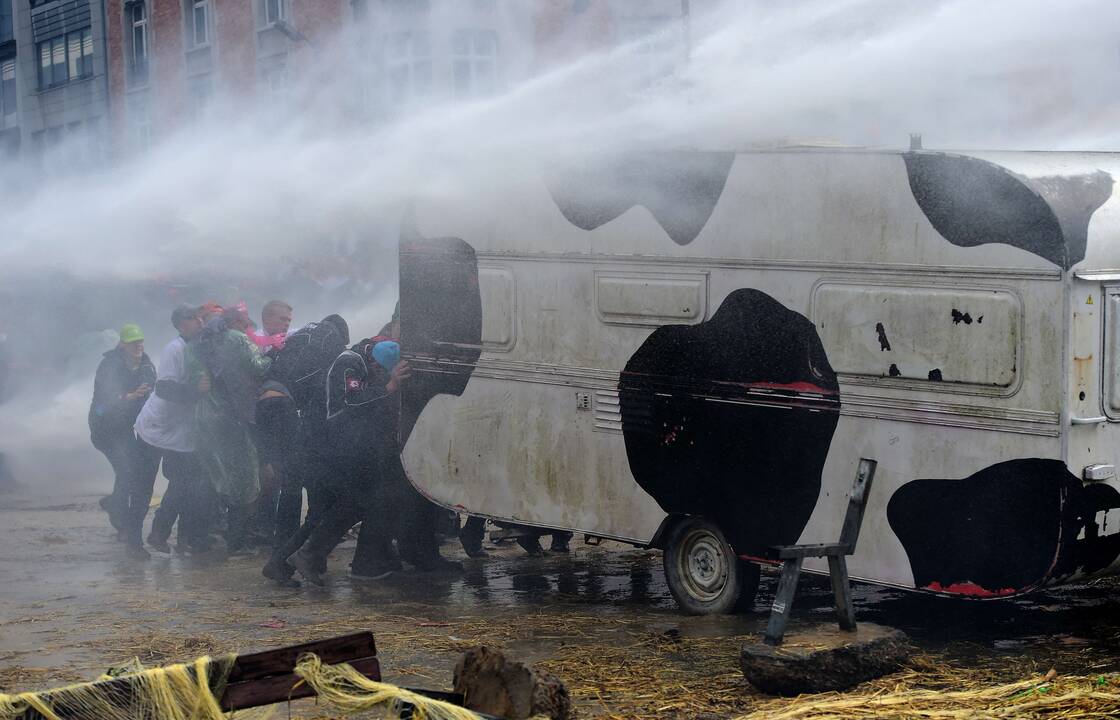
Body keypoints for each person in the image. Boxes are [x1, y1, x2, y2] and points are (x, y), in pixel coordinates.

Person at [285, 337, 421, 585]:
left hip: (342, 448)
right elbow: (349, 401)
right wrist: (389, 386)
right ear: (377, 365)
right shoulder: (350, 362)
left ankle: (303, 557)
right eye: (382, 372)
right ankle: (304, 556)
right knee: (351, 504)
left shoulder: (359, 363)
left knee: (357, 503)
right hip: (329, 448)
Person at [259, 314, 351, 586]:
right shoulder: (330, 349)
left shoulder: (302, 340)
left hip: (270, 403)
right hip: (290, 415)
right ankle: (281, 562)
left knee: (290, 489)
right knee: (302, 493)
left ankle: (285, 559)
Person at [187, 306, 272, 554]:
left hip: (205, 416)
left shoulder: (200, 342)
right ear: (237, 323)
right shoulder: (237, 339)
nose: (249, 330)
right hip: (231, 417)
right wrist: (272, 356)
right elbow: (258, 366)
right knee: (244, 479)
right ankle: (238, 543)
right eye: (247, 325)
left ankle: (198, 536)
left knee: (214, 477)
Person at [130, 305, 211, 555]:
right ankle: (133, 542)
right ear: (179, 325)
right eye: (191, 319)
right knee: (143, 487)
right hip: (154, 428)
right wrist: (196, 390)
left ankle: (162, 533)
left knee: (184, 483)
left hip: (182, 432)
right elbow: (164, 387)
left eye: (199, 317)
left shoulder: (203, 347)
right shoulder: (174, 349)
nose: (198, 322)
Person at [88, 324, 155, 556]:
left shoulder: (146, 363)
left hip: (126, 428)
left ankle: (115, 506)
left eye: (141, 341)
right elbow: (103, 402)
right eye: (133, 342)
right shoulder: (110, 365)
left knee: (131, 472)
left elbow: (152, 390)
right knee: (127, 471)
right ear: (122, 344)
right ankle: (121, 519)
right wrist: (128, 397)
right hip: (105, 429)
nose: (139, 345)